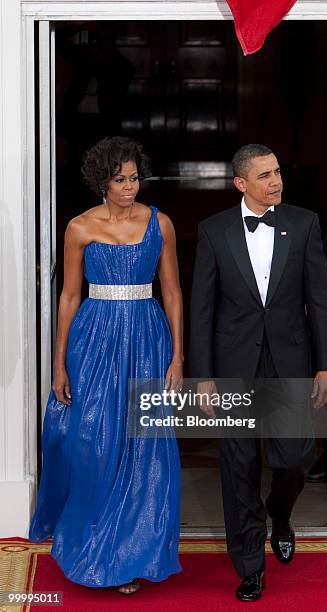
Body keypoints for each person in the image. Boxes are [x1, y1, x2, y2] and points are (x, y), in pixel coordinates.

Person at [29, 136, 184, 595]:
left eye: (135, 178)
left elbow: (173, 292)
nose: (130, 187)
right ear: (102, 182)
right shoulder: (79, 227)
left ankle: (134, 555)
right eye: (120, 180)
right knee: (93, 444)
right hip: (93, 340)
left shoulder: (161, 223)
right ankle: (89, 546)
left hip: (147, 337)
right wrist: (58, 364)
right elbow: (69, 296)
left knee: (145, 447)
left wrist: (178, 355)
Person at [189, 144, 327, 602]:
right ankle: (250, 565)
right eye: (265, 175)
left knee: (294, 458)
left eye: (277, 172)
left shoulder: (303, 222)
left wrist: (326, 365)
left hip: (289, 363)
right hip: (233, 365)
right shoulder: (213, 231)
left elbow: (321, 300)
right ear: (241, 184)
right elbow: (202, 310)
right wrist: (205, 376)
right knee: (238, 468)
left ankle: (281, 513)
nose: (276, 181)